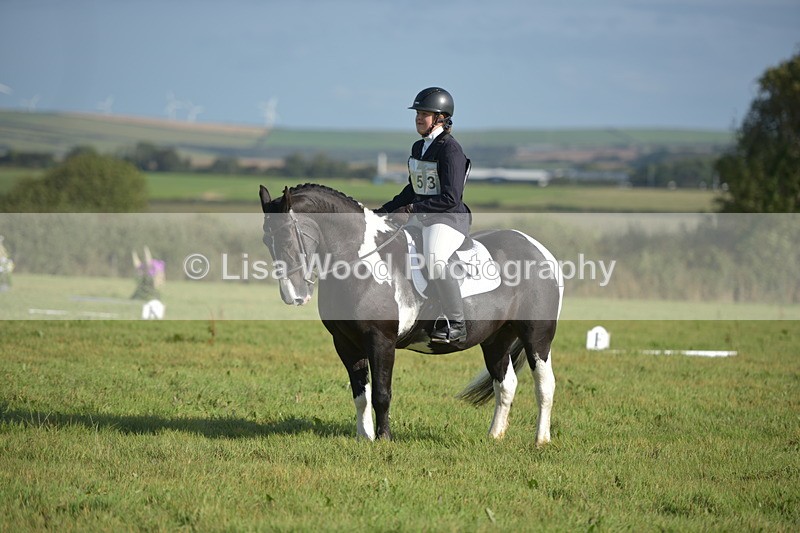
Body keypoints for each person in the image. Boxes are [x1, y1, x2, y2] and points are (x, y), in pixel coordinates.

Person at [376, 87, 471, 344]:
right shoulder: (419, 147)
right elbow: (413, 188)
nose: (419, 118)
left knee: (434, 257)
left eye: (425, 114)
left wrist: (412, 210)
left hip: (449, 219)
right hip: (423, 217)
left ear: (441, 118)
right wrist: (384, 211)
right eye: (418, 113)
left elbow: (452, 197)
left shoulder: (450, 150)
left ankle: (457, 323)